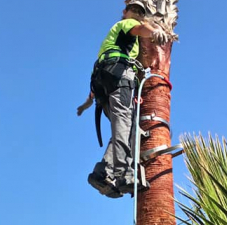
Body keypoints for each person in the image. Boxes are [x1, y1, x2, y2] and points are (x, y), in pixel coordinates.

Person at [82, 0, 168, 198]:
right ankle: (123, 173)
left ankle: (103, 172)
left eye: (140, 11)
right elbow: (140, 28)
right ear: (125, 11)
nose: (137, 13)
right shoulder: (125, 24)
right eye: (134, 9)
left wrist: (87, 102)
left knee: (126, 126)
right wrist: (154, 32)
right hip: (118, 75)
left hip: (104, 81)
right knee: (124, 122)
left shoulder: (119, 41)